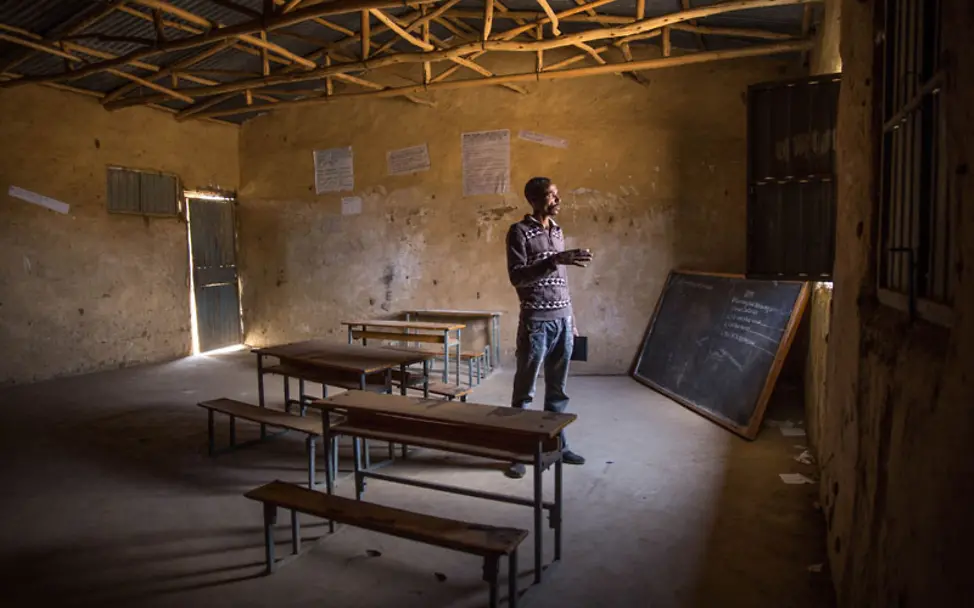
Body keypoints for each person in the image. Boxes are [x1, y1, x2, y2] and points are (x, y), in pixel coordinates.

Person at [504, 176, 593, 479]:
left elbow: (562, 282)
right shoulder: (518, 232)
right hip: (536, 323)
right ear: (533, 200)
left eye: (557, 194)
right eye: (551, 195)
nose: (558, 200)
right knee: (524, 392)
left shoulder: (557, 231)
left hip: (563, 321)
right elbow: (518, 277)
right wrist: (554, 260)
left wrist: (572, 320)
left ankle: (557, 444)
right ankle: (518, 451)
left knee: (558, 391)